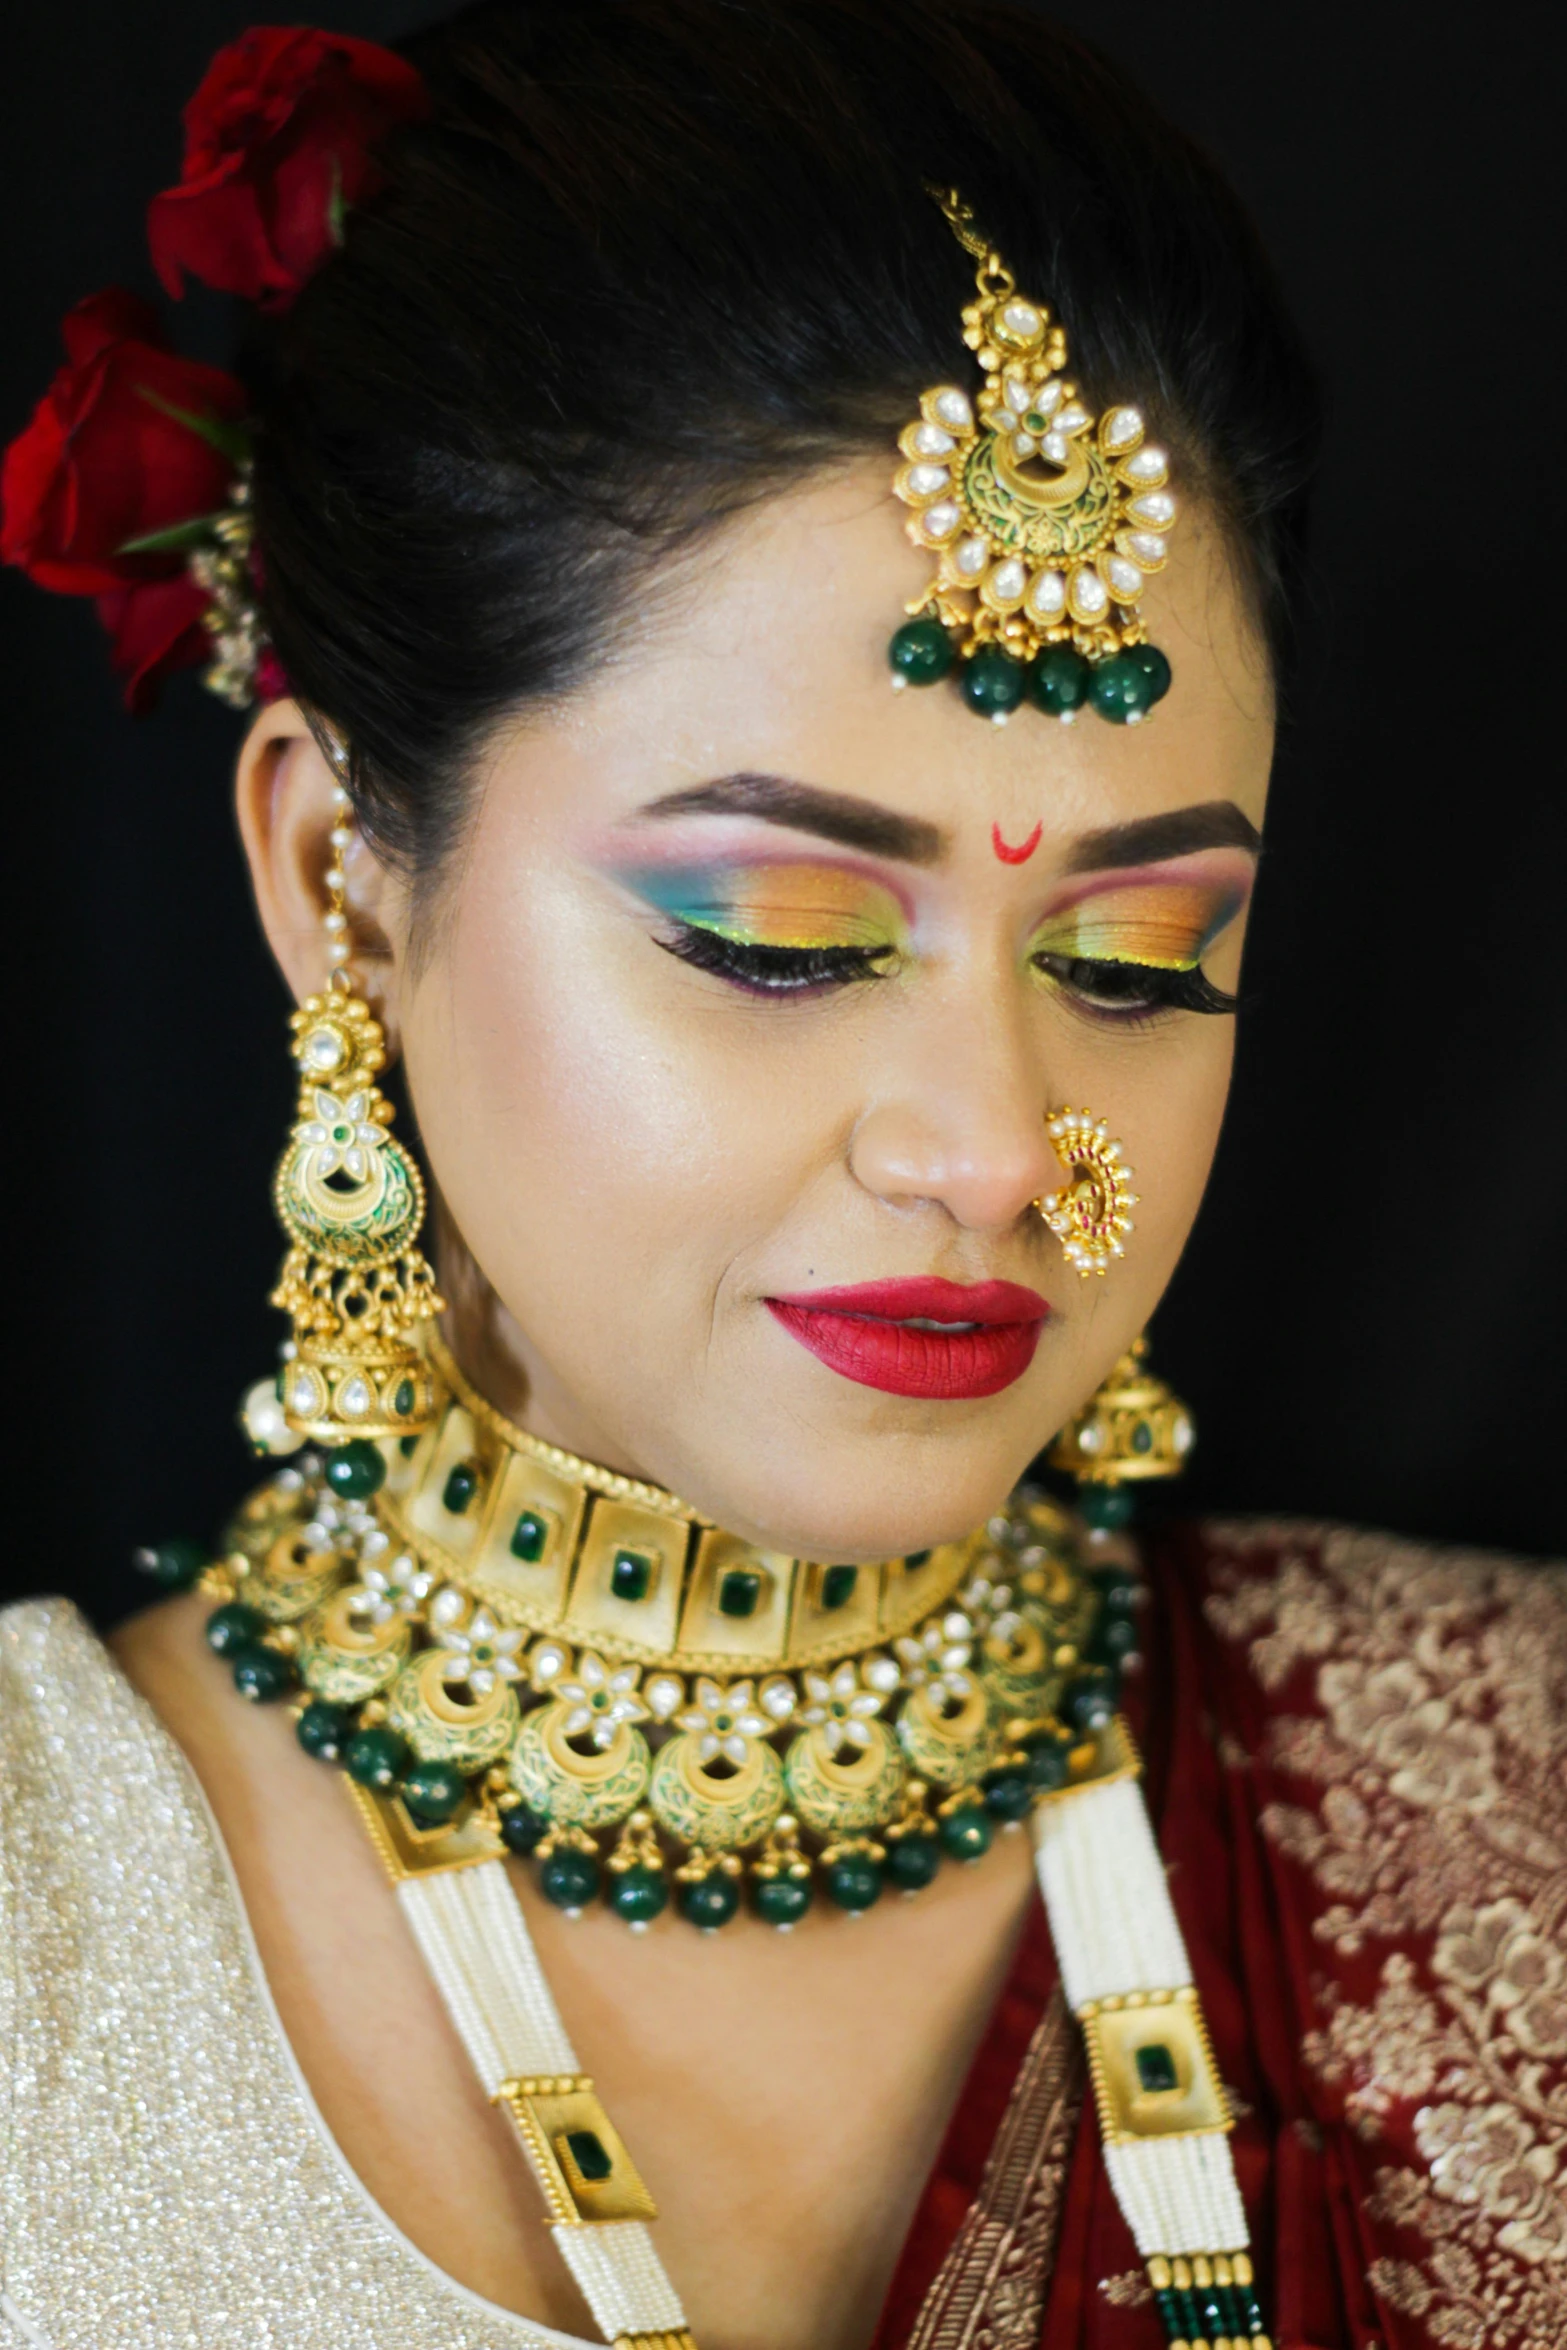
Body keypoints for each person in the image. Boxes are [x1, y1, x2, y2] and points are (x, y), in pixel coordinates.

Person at [2, 6, 1562, 2348]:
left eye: (1144, 958)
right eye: (780, 934)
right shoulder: (42, 1947)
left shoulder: (1504, 1799)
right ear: (344, 880)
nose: (992, 1144)